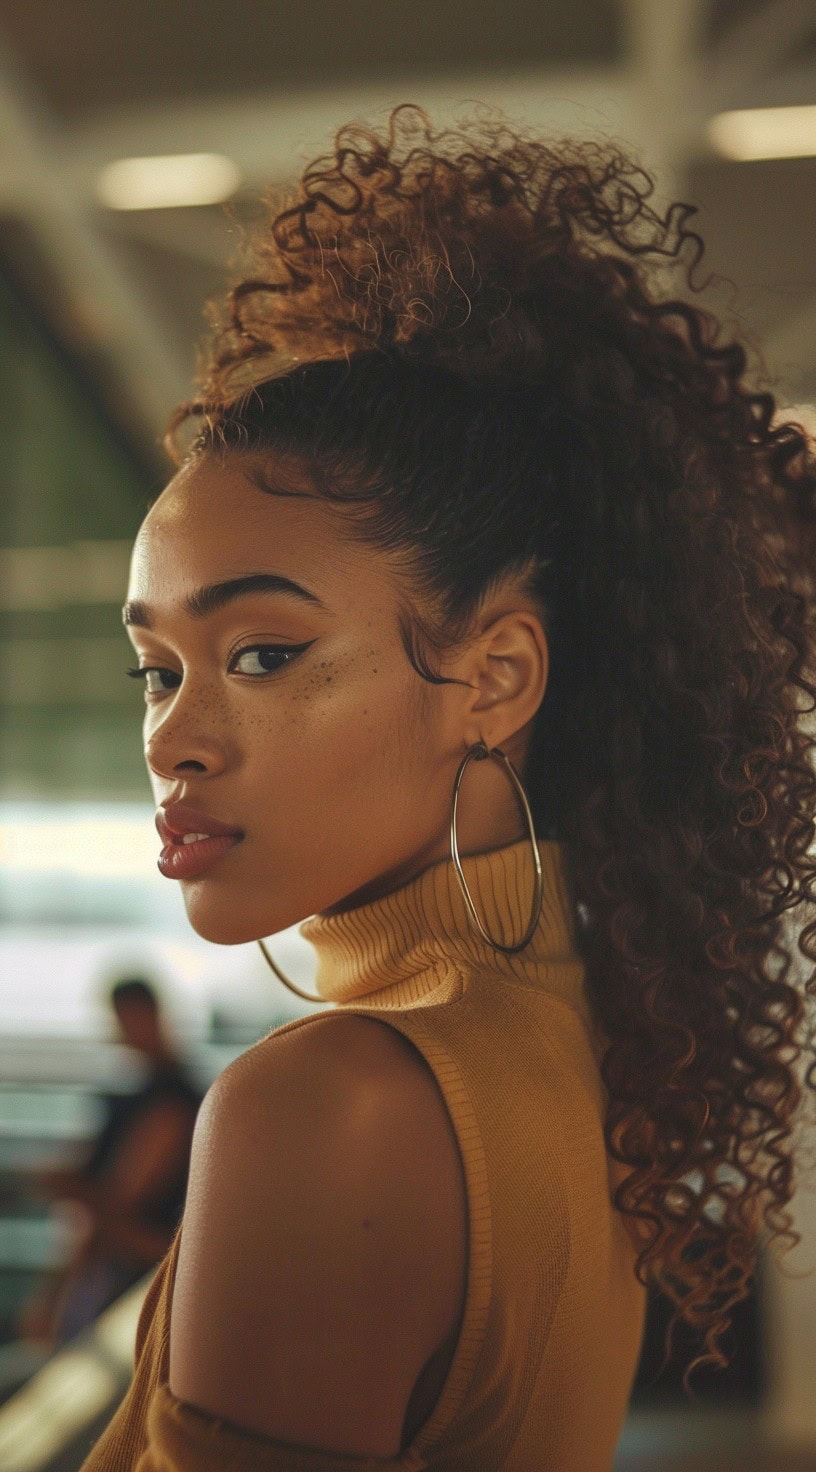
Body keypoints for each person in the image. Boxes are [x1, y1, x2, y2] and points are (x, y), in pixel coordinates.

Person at [80, 104, 816, 1470]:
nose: (175, 738)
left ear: (496, 677)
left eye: (261, 651)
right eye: (158, 670)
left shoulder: (334, 1105)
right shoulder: (563, 1049)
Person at [18, 976, 202, 1348]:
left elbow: (118, 1204)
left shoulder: (170, 1100)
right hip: (134, 1271)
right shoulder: (156, 1094)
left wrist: (74, 1188)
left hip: (138, 1273)